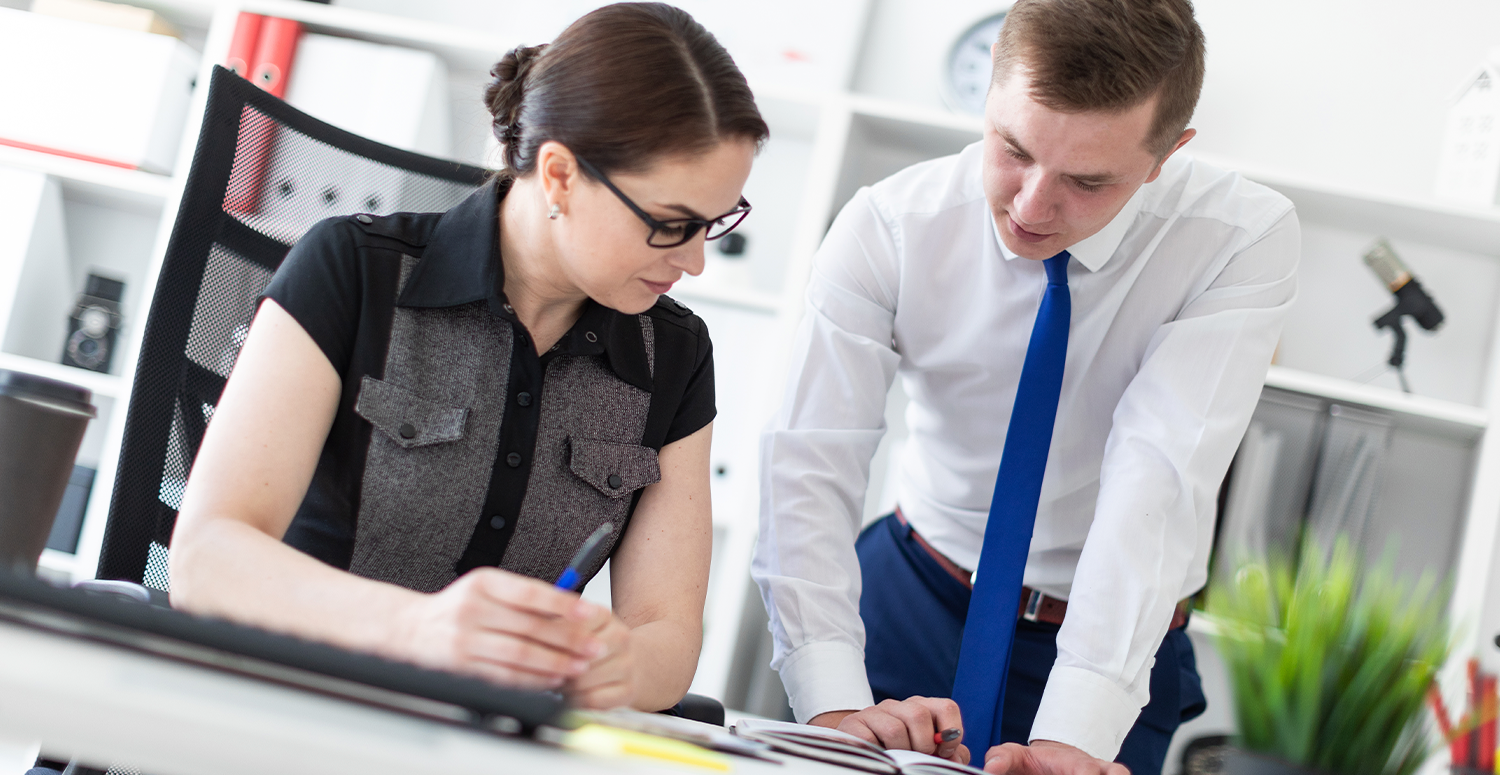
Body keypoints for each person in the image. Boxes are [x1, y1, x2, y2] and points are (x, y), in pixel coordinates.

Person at [169, 2, 767, 713]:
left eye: (714, 225)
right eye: (671, 225)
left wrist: (619, 664)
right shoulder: (352, 272)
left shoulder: (675, 353)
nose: (695, 261)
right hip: (283, 715)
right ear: (560, 175)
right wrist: (418, 627)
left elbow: (665, 638)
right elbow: (206, 558)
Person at [753, 0, 1298, 773]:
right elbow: (807, 459)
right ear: (990, 99)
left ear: (1165, 155)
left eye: (1086, 180)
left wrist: (1077, 728)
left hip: (1112, 640)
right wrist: (832, 697)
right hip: (911, 594)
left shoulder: (1240, 239)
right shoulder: (890, 225)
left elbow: (1159, 477)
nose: (1032, 204)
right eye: (1013, 148)